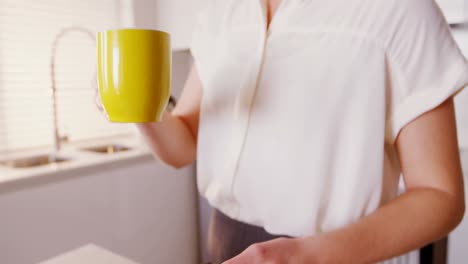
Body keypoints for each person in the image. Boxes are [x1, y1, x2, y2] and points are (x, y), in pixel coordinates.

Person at [99, 0, 468, 263]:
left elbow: (440, 196)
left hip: (332, 256)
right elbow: (183, 145)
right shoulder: (221, 12)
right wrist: (137, 106)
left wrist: (306, 256)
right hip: (223, 246)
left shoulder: (400, 10)